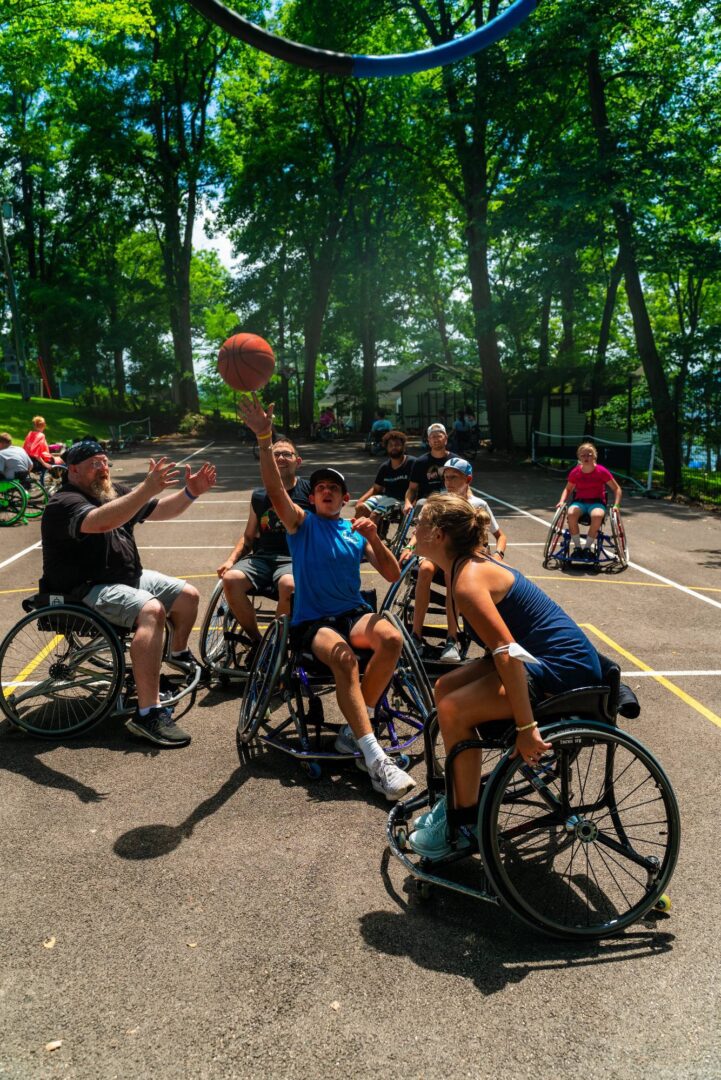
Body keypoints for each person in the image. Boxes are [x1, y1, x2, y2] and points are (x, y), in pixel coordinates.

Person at [407, 492, 602, 859]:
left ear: (439, 535)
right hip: (541, 658)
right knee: (445, 687)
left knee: (454, 708)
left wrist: (527, 729)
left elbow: (507, 653)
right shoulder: (468, 564)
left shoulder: (467, 581)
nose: (413, 528)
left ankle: (466, 822)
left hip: (563, 672)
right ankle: (459, 796)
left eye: (420, 523)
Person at [239, 394, 416, 801]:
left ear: (345, 498)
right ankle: (375, 757)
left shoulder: (355, 531)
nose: (325, 491)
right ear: (313, 497)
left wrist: (375, 538)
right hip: (313, 622)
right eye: (319, 488)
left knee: (392, 638)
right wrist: (265, 439)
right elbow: (274, 488)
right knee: (344, 659)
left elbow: (392, 574)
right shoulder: (300, 524)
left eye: (333, 488)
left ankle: (355, 730)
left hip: (352, 613)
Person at [39, 440, 217, 748]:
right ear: (74, 470)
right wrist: (146, 488)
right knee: (152, 611)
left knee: (187, 595)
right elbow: (100, 522)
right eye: (95, 464)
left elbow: (159, 509)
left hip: (125, 579)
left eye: (105, 462)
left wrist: (191, 492)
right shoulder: (64, 502)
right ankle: (148, 714)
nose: (103, 468)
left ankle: (177, 654)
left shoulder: (110, 492)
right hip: (86, 589)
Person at [400, 457, 508, 662]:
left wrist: (498, 555)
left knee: (452, 574)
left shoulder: (478, 504)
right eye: (446, 477)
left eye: (453, 477)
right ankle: (416, 635)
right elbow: (421, 529)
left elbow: (500, 536)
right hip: (438, 552)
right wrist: (409, 546)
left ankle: (452, 639)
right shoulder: (438, 502)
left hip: (461, 556)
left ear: (468, 479)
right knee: (425, 569)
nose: (448, 482)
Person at [216, 438, 311, 664]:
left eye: (287, 454)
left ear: (298, 461)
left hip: (294, 558)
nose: (281, 458)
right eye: (275, 454)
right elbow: (249, 536)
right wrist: (230, 560)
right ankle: (259, 642)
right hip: (262, 558)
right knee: (231, 579)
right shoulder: (259, 496)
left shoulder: (309, 491)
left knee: (289, 584)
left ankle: (277, 645)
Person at [557, 442, 623, 554]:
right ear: (579, 457)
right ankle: (577, 547)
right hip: (579, 502)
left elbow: (617, 489)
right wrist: (561, 501)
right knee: (571, 513)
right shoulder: (575, 472)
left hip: (597, 503)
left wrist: (617, 505)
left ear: (594, 456)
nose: (586, 457)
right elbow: (567, 489)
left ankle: (587, 547)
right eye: (583, 455)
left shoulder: (601, 471)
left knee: (597, 516)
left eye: (589, 455)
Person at [354, 430, 416, 528]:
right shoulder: (385, 467)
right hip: (386, 498)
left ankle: (372, 537)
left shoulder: (412, 463)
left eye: (397, 445)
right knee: (361, 508)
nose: (394, 447)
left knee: (374, 515)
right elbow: (376, 489)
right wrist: (360, 501)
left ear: (403, 446)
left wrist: (413, 502)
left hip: (401, 501)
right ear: (386, 448)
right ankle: (355, 535)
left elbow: (419, 487)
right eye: (390, 445)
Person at [403, 422, 452, 513]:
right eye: (433, 437)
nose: (436, 439)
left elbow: (465, 486)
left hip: (450, 502)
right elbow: (412, 488)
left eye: (439, 436)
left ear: (446, 438)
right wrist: (407, 502)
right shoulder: (420, 462)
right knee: (420, 504)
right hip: (426, 503)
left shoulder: (455, 461)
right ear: (429, 441)